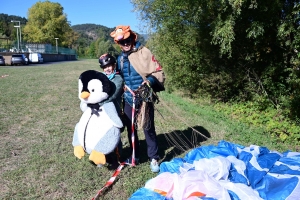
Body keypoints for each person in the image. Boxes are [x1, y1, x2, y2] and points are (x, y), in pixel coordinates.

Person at [110, 25, 162, 172]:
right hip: (128, 98)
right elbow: (119, 77)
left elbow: (158, 71)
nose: (125, 44)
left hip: (144, 98)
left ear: (132, 38)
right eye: (122, 42)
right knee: (131, 129)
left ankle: (154, 157)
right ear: (119, 44)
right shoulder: (120, 58)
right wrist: (122, 86)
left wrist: (149, 82)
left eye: (127, 40)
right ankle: (135, 156)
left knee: (148, 128)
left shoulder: (144, 52)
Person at [98, 53, 124, 169]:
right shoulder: (100, 78)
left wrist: (98, 103)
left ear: (114, 65)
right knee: (102, 134)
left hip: (114, 111)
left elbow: (113, 95)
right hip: (102, 112)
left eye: (109, 66)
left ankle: (118, 157)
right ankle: (104, 156)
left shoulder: (118, 79)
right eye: (105, 67)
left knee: (114, 135)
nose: (107, 69)